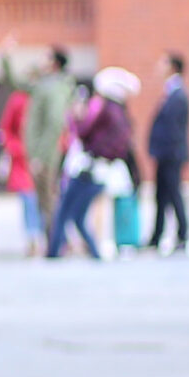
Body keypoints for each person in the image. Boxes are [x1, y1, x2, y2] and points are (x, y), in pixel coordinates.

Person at [45, 66, 141, 259]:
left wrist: (76, 118)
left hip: (88, 168)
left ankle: (54, 253)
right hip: (102, 169)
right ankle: (94, 252)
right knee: (78, 215)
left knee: (66, 211)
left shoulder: (103, 109)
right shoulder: (121, 114)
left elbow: (83, 131)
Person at [22, 48, 75, 245]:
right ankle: (56, 241)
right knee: (44, 199)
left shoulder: (54, 87)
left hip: (47, 153)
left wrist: (41, 156)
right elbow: (20, 82)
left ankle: (58, 242)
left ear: (54, 63)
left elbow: (54, 123)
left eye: (46, 58)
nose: (41, 60)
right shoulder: (45, 84)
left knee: (48, 199)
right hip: (43, 152)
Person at [147, 53, 189, 253]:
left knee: (174, 195)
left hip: (171, 155)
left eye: (164, 62)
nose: (159, 66)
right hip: (165, 154)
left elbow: (174, 128)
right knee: (161, 196)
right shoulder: (171, 92)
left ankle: (182, 234)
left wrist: (167, 151)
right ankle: (157, 236)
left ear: (173, 67)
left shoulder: (179, 94)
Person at [0, 83, 42, 249]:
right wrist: (16, 149)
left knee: (41, 199)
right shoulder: (18, 100)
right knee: (28, 198)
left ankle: (41, 236)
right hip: (21, 159)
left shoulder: (42, 98)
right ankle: (32, 237)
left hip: (40, 156)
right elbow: (6, 128)